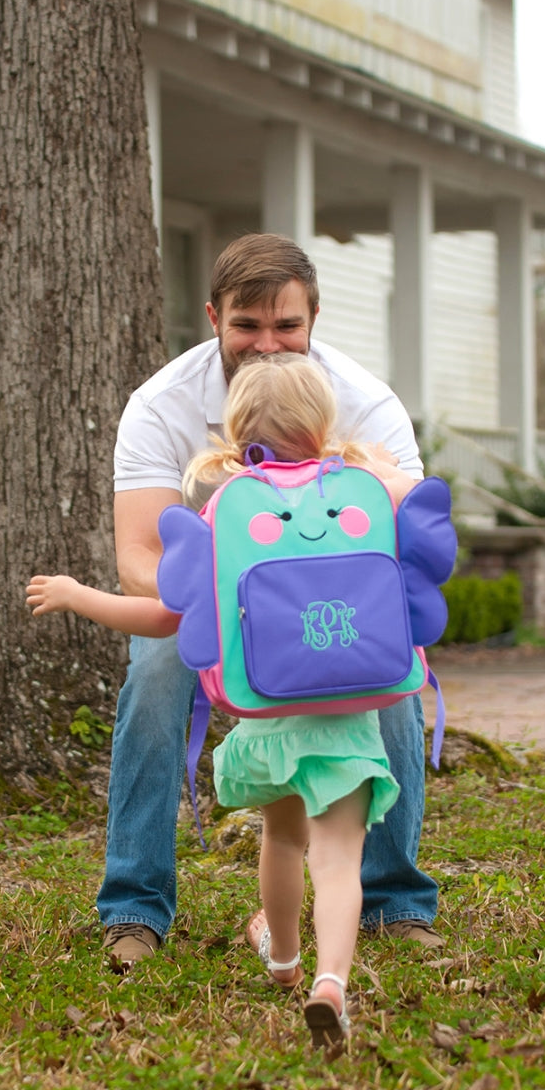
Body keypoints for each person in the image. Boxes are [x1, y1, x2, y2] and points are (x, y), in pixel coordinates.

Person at [27, 354, 426, 1046]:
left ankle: (283, 958)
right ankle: (332, 978)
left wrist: (76, 595)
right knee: (335, 860)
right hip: (351, 727)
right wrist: (373, 467)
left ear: (238, 438)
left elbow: (169, 618)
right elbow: (418, 508)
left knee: (282, 841)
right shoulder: (361, 494)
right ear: (325, 424)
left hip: (271, 726)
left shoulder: (229, 515)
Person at [102, 233, 443, 970]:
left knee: (393, 663)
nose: (267, 346)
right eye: (245, 326)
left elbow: (402, 545)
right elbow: (137, 556)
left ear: (313, 318)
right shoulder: (162, 404)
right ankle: (134, 905)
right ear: (212, 317)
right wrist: (222, 619)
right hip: (209, 599)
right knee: (158, 664)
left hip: (337, 597)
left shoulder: (364, 403)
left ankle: (396, 902)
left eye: (285, 326)